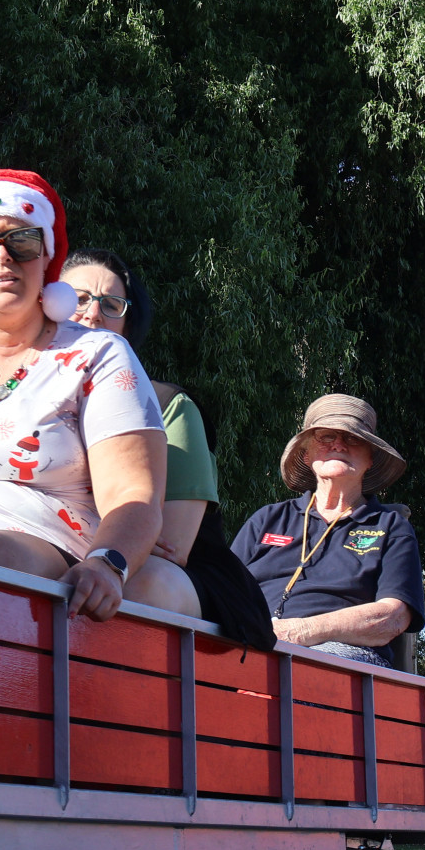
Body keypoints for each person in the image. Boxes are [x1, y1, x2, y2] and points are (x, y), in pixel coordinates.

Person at [0, 170, 191, 622]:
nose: (3, 259)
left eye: (22, 242)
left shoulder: (97, 353)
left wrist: (108, 564)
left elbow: (133, 494)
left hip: (49, 554)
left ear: (46, 256)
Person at [59, 248, 275, 651]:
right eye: (79, 298)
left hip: (167, 573)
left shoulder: (167, 407)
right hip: (58, 546)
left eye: (111, 304)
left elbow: (171, 545)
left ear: (127, 324)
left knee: (140, 581)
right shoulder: (14, 391)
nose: (92, 313)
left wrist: (126, 530)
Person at [231, 395, 425, 667]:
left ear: (371, 458)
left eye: (353, 439)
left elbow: (392, 618)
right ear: (307, 454)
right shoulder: (268, 518)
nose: (338, 444)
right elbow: (223, 590)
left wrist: (298, 632)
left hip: (342, 655)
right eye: (325, 436)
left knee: (288, 673)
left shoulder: (391, 527)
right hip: (249, 644)